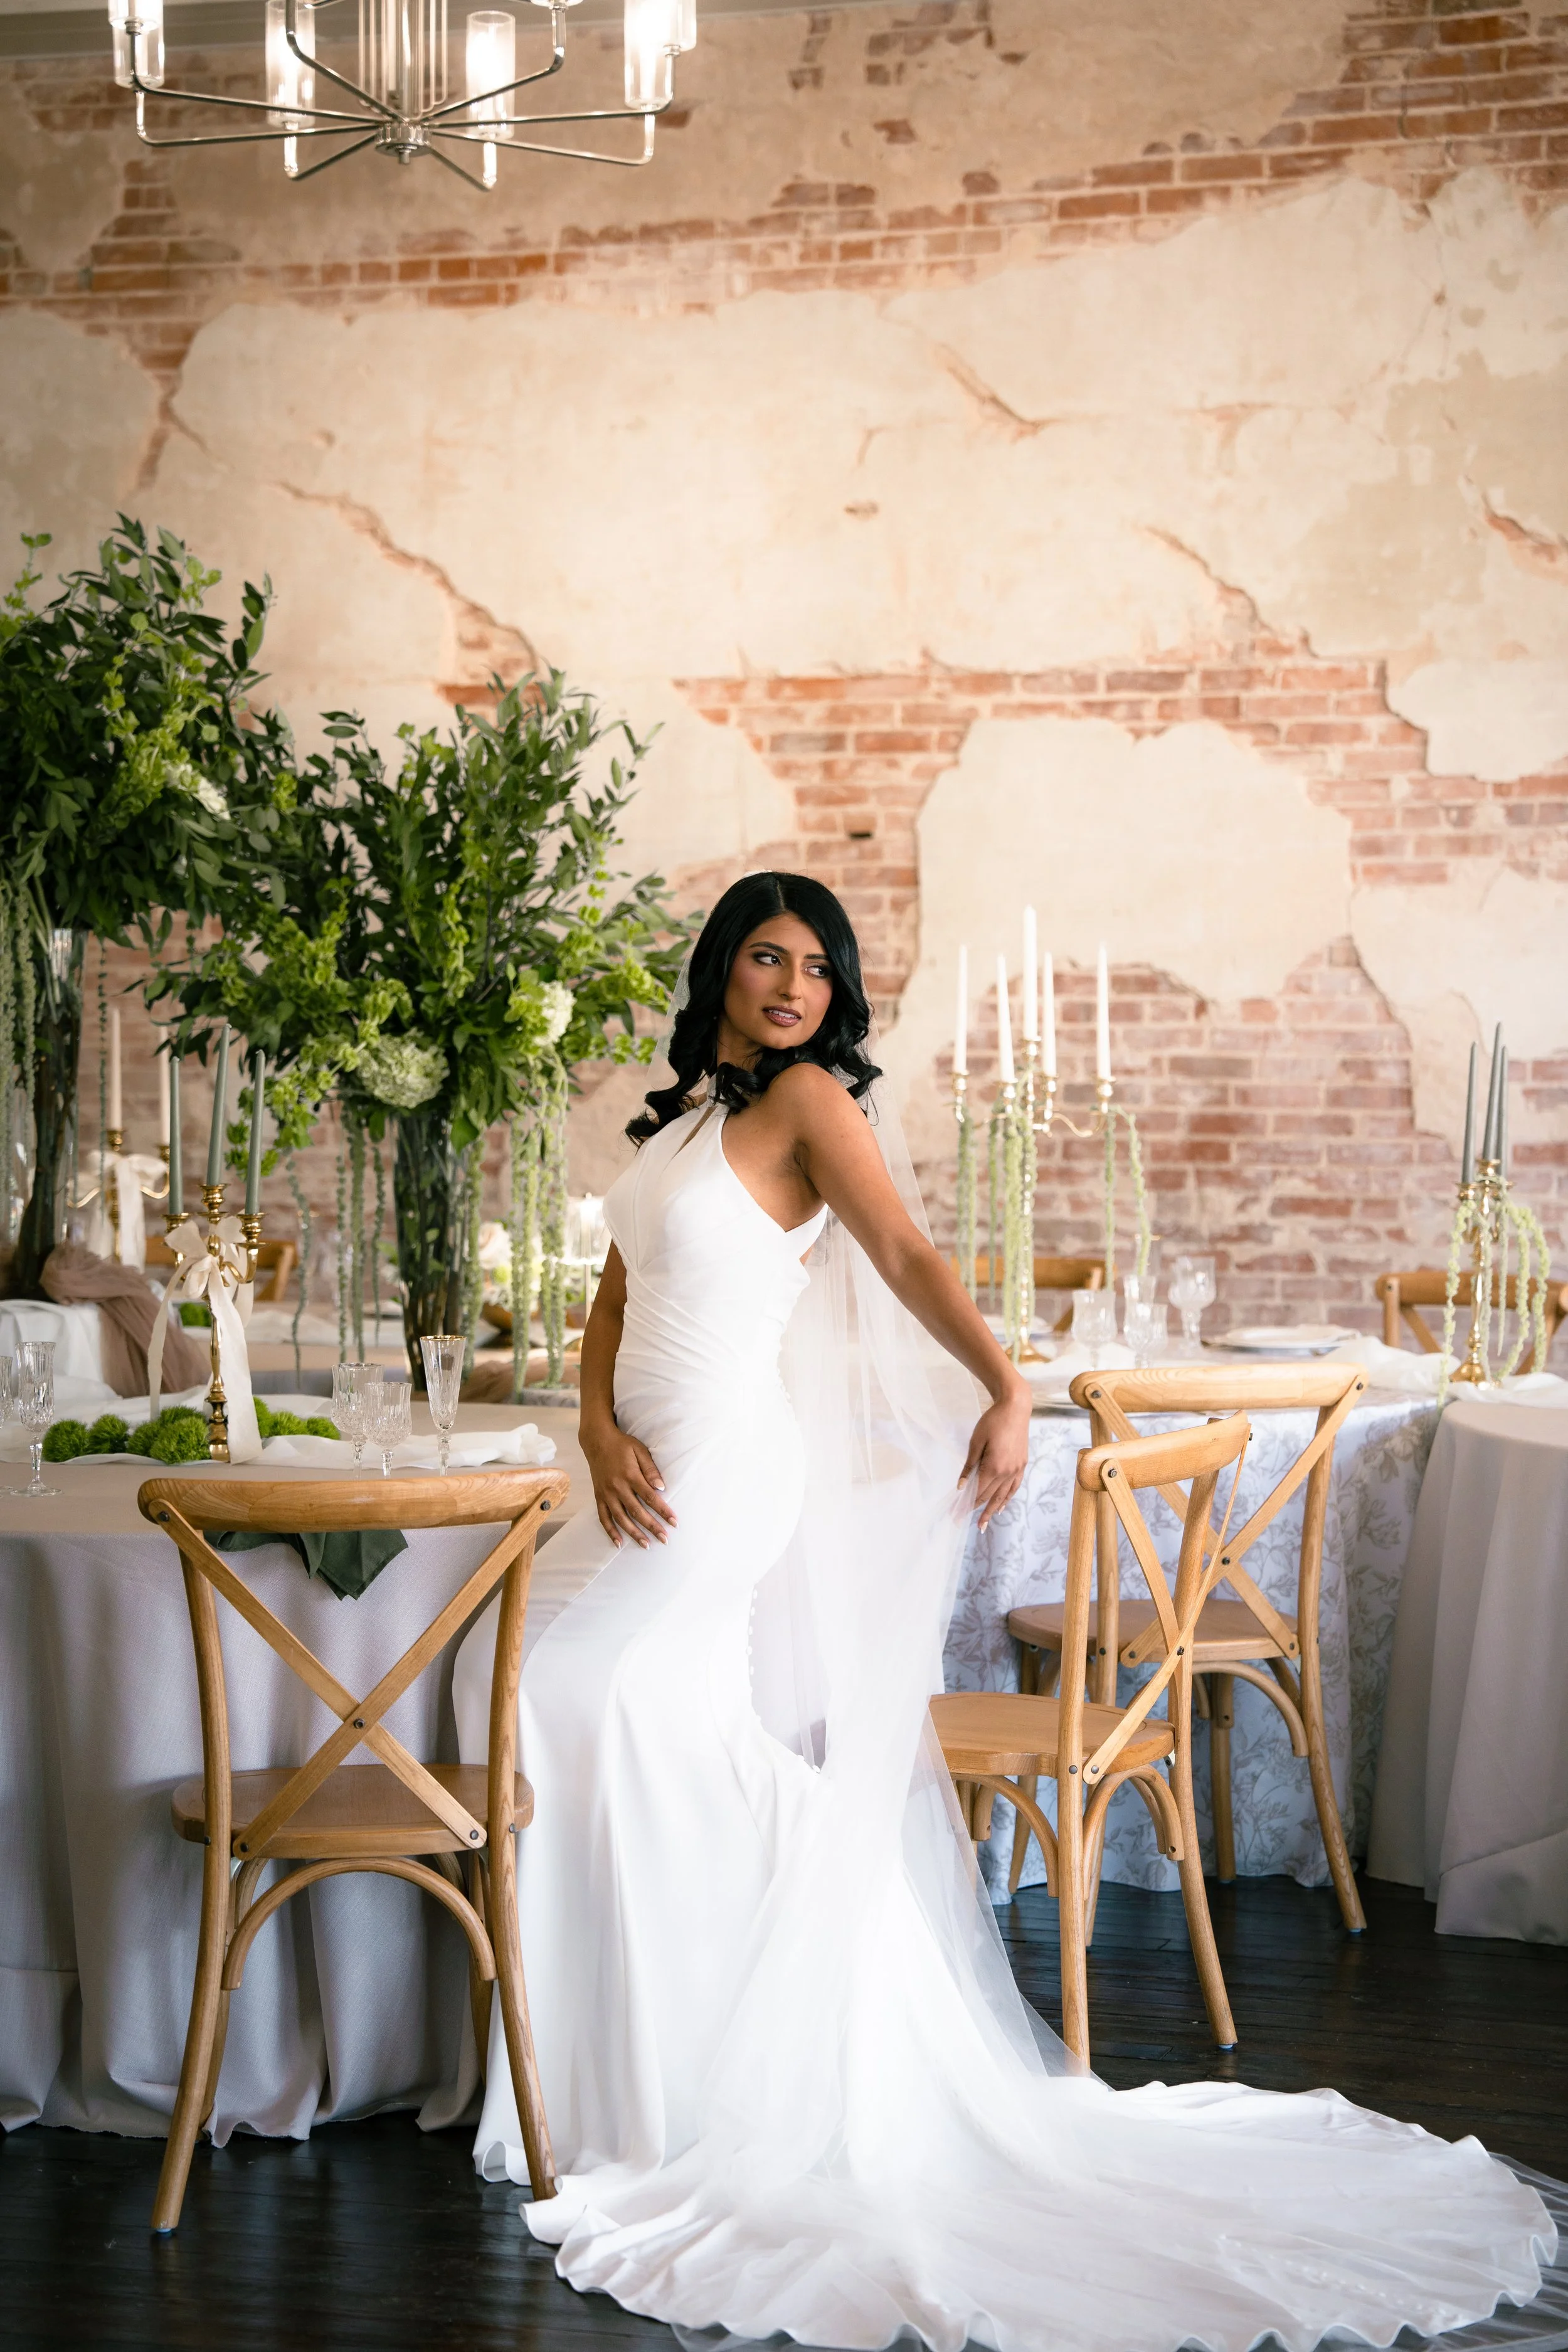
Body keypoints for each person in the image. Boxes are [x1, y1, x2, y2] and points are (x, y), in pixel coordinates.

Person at [453, 871, 1552, 2352]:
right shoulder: (683, 1124)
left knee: (564, 1702)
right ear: (720, 969)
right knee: (580, 1709)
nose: (792, 986)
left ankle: (707, 2057)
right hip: (630, 1467)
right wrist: (590, 1430)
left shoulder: (804, 1111)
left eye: (817, 970)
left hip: (721, 1473)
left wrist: (1000, 1385)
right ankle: (631, 2063)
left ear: (832, 998)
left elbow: (905, 1255)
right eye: (767, 959)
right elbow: (607, 1298)